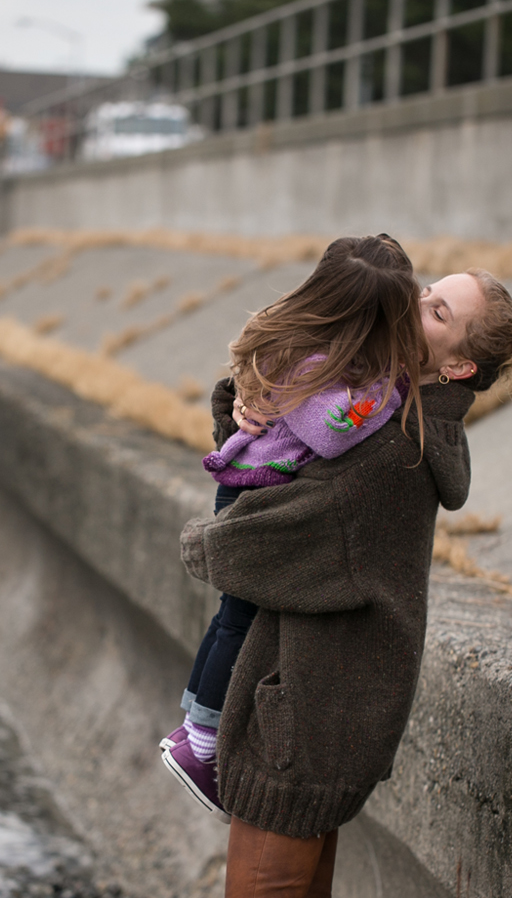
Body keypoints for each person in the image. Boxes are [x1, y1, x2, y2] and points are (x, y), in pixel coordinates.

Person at [176, 264, 512, 898]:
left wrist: (206, 544)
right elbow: (278, 469)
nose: (416, 303)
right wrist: (255, 401)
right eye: (429, 288)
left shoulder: (394, 444)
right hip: (337, 699)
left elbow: (273, 532)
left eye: (436, 309)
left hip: (313, 708)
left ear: (456, 360)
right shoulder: (389, 418)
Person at [162, 235, 426, 813]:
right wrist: (394, 389)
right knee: (238, 619)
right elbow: (334, 432)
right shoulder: (308, 363)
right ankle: (202, 740)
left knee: (233, 618)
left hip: (252, 487)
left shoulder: (305, 343)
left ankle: (192, 728)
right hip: (253, 496)